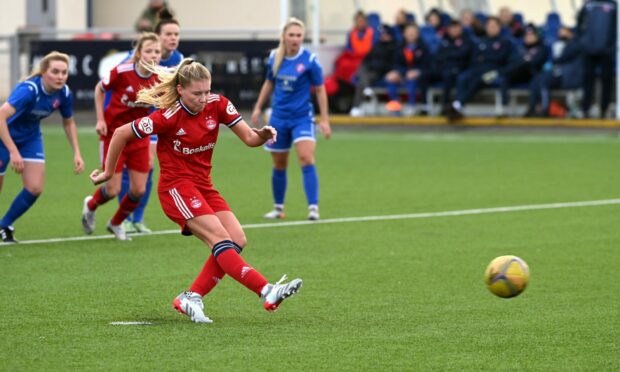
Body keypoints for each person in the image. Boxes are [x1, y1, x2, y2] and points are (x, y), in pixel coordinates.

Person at [89, 58, 302, 323]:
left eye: (207, 91)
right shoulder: (168, 116)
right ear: (180, 90)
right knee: (219, 238)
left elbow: (249, 138)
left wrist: (263, 134)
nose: (204, 98)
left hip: (203, 186)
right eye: (197, 93)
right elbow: (121, 133)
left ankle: (191, 296)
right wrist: (109, 172)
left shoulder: (219, 104)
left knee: (237, 240)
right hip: (175, 189)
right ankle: (267, 290)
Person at [81, 32, 161, 241]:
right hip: (113, 135)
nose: (153, 55)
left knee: (138, 190)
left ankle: (115, 223)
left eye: (157, 51)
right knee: (113, 188)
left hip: (139, 137)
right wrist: (100, 119)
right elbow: (99, 89)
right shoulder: (123, 71)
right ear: (138, 53)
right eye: (149, 50)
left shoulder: (160, 78)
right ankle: (90, 206)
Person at [0, 51, 85, 243]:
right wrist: (13, 151)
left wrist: (77, 153)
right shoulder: (29, 90)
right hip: (3, 137)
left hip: (30, 137)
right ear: (44, 72)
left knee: (35, 187)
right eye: (55, 71)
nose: (60, 76)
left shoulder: (64, 93)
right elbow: (1, 117)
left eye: (64, 72)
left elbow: (69, 122)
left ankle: (4, 225)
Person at [252, 18, 331, 221]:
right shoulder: (274, 58)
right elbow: (268, 84)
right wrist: (258, 107)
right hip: (278, 119)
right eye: (292, 35)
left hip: (302, 118)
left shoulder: (310, 60)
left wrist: (324, 119)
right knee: (279, 163)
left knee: (306, 158)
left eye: (299, 35)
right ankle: (278, 208)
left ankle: (313, 208)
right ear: (284, 37)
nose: (295, 39)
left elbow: (321, 90)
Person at [118, 8, 184, 234]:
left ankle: (136, 218)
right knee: (134, 167)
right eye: (168, 34)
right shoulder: (138, 58)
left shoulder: (178, 59)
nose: (173, 38)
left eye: (176, 34)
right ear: (158, 36)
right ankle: (124, 217)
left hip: (160, 119)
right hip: (134, 117)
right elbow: (117, 85)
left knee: (148, 166)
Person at [447, 17, 512, 120]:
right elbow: (476, 58)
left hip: (494, 72)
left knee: (479, 80)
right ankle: (459, 107)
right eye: (489, 26)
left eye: (494, 26)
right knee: (463, 77)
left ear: (499, 27)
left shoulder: (505, 42)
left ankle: (458, 104)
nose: (491, 29)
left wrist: (486, 58)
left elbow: (501, 59)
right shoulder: (482, 41)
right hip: (478, 69)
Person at [525, 26, 583, 117]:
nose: (561, 33)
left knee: (543, 81)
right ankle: (532, 108)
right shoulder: (556, 44)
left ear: (570, 32)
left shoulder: (575, 44)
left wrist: (552, 63)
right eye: (560, 31)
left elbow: (563, 58)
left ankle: (545, 109)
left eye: (564, 31)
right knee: (536, 80)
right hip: (555, 73)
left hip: (567, 75)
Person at [418, 20, 472, 115]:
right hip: (442, 68)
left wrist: (448, 55)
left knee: (448, 75)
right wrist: (450, 55)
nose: (454, 30)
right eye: (452, 28)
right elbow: (438, 56)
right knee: (424, 75)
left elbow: (462, 55)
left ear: (461, 29)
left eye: (456, 28)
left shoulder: (466, 41)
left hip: (456, 69)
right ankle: (424, 106)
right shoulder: (444, 40)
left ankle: (445, 105)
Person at [494, 24, 548, 115]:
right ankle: (504, 107)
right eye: (527, 36)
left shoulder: (542, 48)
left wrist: (524, 61)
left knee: (536, 81)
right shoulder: (519, 48)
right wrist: (524, 61)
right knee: (504, 79)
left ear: (536, 36)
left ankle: (532, 108)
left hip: (533, 74)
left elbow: (535, 63)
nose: (529, 37)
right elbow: (512, 61)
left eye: (532, 35)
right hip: (518, 73)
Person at [576, 0, 617, 118]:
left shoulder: (613, 5)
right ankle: (585, 109)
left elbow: (616, 26)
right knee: (587, 79)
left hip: (607, 50)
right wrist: (583, 42)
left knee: (606, 80)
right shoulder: (588, 4)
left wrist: (611, 45)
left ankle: (604, 109)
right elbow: (579, 23)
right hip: (588, 50)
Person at [349, 24, 398, 117]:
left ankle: (356, 106)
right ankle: (366, 88)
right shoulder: (378, 45)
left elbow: (390, 64)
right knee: (362, 69)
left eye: (385, 34)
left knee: (362, 80)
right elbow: (366, 59)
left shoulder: (394, 47)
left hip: (379, 72)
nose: (383, 36)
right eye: (382, 34)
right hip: (368, 69)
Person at [384, 23, 431, 115]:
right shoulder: (399, 47)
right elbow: (396, 63)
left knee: (412, 81)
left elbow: (428, 66)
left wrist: (417, 72)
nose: (411, 35)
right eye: (409, 32)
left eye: (413, 32)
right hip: (403, 74)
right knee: (391, 80)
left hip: (420, 78)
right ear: (404, 34)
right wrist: (397, 72)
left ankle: (411, 106)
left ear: (418, 34)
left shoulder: (424, 47)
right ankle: (395, 108)